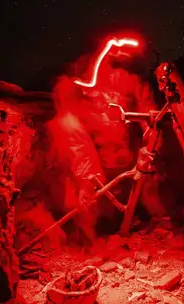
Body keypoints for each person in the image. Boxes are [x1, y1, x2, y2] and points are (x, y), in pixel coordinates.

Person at [45, 38, 167, 245]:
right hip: (94, 165)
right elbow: (73, 137)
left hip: (124, 160)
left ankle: (161, 225)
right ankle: (88, 241)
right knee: (88, 199)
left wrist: (151, 142)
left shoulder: (129, 81)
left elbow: (151, 116)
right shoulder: (73, 87)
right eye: (111, 51)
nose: (117, 56)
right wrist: (86, 176)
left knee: (149, 179)